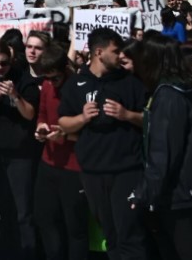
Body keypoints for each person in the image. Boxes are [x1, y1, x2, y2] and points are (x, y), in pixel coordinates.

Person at [57, 28, 149, 260]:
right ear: (98, 52)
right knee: (111, 234)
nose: (120, 56)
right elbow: (63, 123)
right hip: (93, 172)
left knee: (130, 233)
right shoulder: (76, 83)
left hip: (127, 170)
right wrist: (82, 118)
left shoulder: (130, 83)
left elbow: (150, 120)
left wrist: (126, 114)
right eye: (115, 51)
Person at [131, 35, 192, 259]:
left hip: (181, 194)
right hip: (185, 191)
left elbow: (164, 151)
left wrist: (146, 194)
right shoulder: (176, 91)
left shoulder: (169, 96)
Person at [0, 41, 39, 259]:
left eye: (3, 64)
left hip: (20, 153)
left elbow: (30, 114)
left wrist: (15, 95)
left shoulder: (24, 80)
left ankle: (27, 253)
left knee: (23, 210)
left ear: (11, 60)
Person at [33, 47, 89, 260]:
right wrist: (40, 128)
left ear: (66, 70)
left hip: (73, 168)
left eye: (55, 78)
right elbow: (42, 114)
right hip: (48, 162)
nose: (51, 83)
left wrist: (65, 137)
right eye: (47, 78)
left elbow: (90, 134)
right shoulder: (47, 85)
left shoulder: (80, 88)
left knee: (75, 227)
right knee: (45, 219)